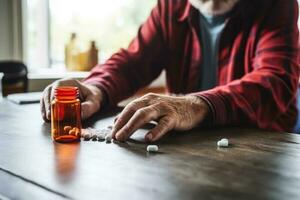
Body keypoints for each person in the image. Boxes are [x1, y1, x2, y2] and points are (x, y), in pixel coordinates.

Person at [41, 0, 300, 142]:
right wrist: (96, 88)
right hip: (190, 150)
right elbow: (133, 61)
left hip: (260, 150)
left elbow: (275, 81)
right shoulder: (171, 5)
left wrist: (193, 104)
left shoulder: (276, 5)